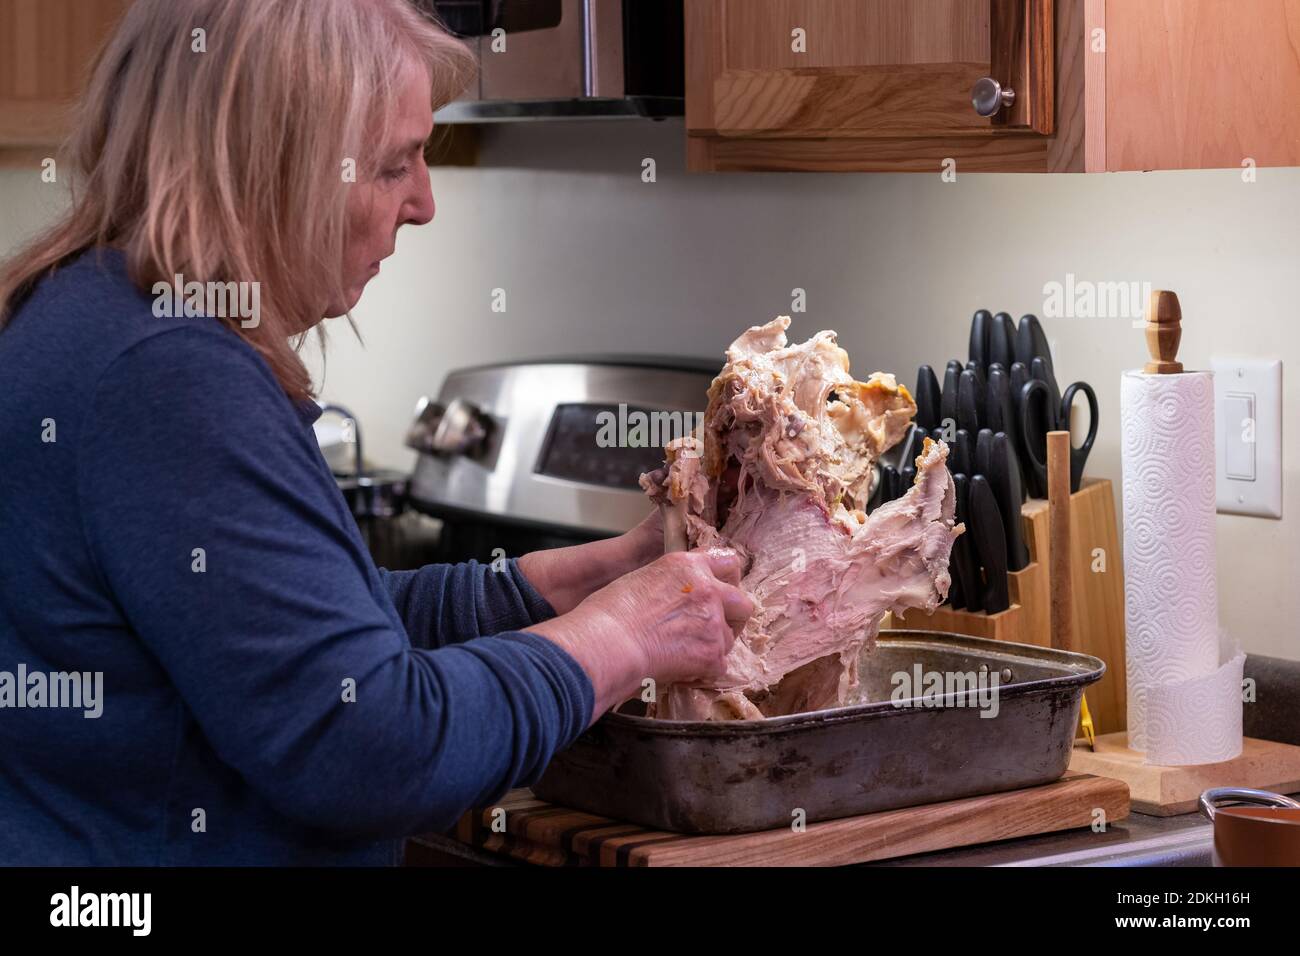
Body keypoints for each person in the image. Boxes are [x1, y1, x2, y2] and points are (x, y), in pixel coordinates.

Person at [0, 0, 752, 865]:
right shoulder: (169, 374)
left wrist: (557, 587)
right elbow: (366, 743)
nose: (425, 202)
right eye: (398, 163)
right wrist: (620, 638)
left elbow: (285, 641)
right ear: (282, 168)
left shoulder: (89, 313)